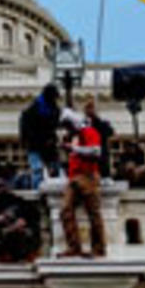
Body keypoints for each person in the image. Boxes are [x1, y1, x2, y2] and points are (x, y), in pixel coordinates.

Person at [57, 108, 105, 258]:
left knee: (93, 213)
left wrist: (73, 148)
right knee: (65, 210)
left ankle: (98, 249)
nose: (66, 128)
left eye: (67, 125)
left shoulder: (89, 131)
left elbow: (96, 152)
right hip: (74, 177)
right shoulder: (75, 136)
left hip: (88, 176)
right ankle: (74, 247)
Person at [19, 84, 61, 188]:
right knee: (37, 169)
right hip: (35, 144)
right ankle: (37, 191)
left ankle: (55, 187)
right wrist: (26, 140)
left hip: (48, 144)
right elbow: (25, 127)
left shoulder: (55, 109)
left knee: (54, 168)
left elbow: (54, 125)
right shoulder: (33, 109)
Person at [0, 178, 41, 262]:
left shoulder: (19, 201)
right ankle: (6, 255)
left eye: (1, 186)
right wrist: (2, 220)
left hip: (22, 228)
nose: (0, 189)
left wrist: (24, 221)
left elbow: (34, 213)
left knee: (31, 230)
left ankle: (31, 254)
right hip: (8, 230)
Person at [83, 100, 115, 176]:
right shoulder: (84, 123)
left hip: (100, 152)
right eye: (87, 109)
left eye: (91, 108)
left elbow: (110, 132)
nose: (89, 111)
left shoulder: (101, 122)